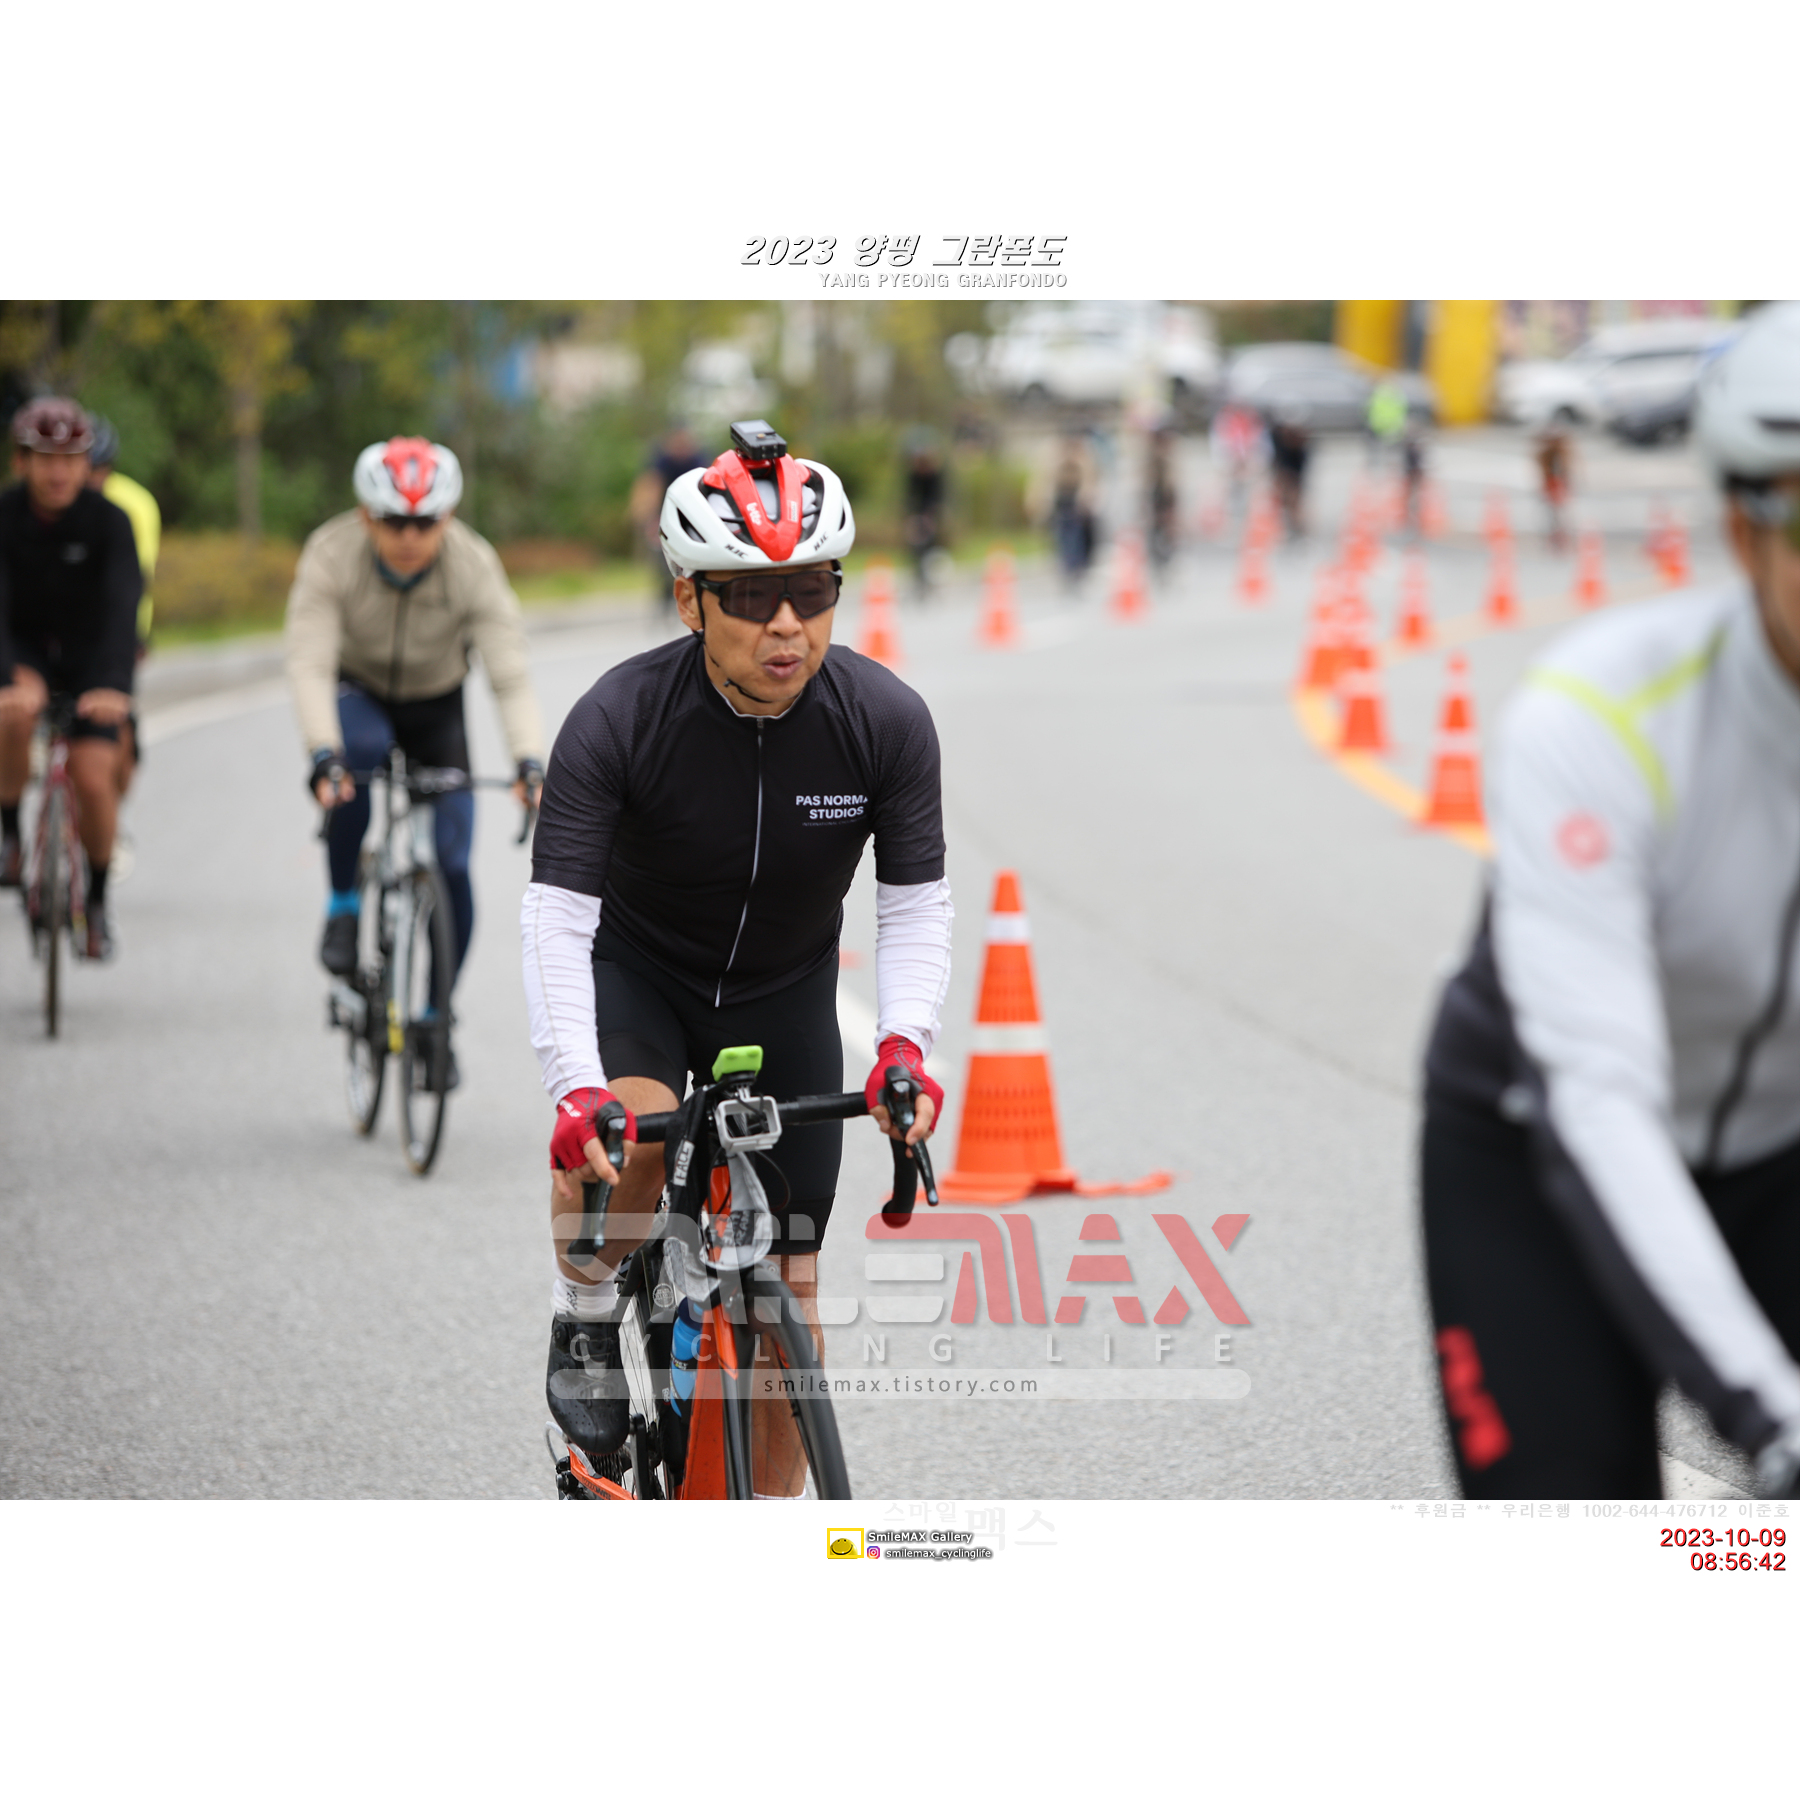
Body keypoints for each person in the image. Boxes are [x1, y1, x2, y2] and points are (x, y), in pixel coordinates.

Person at [520, 419, 953, 1495]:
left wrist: (903, 1047)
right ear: (690, 600)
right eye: (752, 595)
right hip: (643, 978)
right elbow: (557, 921)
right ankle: (585, 1311)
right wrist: (577, 1091)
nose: (788, 622)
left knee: (788, 1325)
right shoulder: (617, 719)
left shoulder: (886, 723)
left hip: (786, 993)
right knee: (625, 1152)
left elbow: (915, 905)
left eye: (812, 588)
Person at [1420, 301, 1800, 1501]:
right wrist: (1773, 1416)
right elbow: (1600, 1100)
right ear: (1743, 530)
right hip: (1539, 1150)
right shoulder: (1601, 720)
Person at [284, 437, 547, 1066]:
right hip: (360, 692)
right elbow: (309, 662)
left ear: (447, 517)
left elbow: (509, 676)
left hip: (436, 704)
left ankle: (436, 1014)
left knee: (452, 864)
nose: (409, 536)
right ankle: (344, 905)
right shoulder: (331, 553)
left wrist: (528, 761)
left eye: (425, 522)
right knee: (356, 758)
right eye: (393, 521)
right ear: (365, 515)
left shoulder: (473, 564)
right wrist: (323, 754)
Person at [0, 398, 141, 958]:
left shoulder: (111, 523)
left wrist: (114, 684)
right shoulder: (4, 516)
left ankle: (99, 898)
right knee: (11, 717)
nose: (58, 472)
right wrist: (8, 677)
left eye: (70, 458)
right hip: (23, 653)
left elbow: (123, 608)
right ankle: (9, 834)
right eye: (45, 458)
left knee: (93, 774)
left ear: (88, 464)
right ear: (21, 462)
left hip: (93, 661)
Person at [84, 415, 160, 811]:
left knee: (117, 717)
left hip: (119, 622)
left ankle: (111, 812)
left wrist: (135, 636)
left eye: (98, 469)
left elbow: (134, 580)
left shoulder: (133, 505)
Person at [627, 425, 705, 614]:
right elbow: (651, 486)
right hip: (663, 515)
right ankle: (665, 595)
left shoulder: (698, 459)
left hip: (691, 516)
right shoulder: (661, 461)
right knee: (662, 561)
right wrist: (648, 517)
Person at [900, 431, 947, 598]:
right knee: (916, 550)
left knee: (931, 549)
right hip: (917, 516)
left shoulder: (934, 475)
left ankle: (932, 581)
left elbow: (937, 497)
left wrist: (930, 517)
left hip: (930, 516)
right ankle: (919, 581)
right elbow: (910, 498)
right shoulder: (913, 475)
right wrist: (911, 518)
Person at [1267, 406, 1312, 541]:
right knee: (1282, 501)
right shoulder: (1276, 436)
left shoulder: (1300, 441)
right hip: (1284, 471)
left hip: (1294, 473)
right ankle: (1288, 527)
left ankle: (1298, 528)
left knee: (1294, 501)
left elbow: (1303, 462)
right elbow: (1274, 457)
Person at [1533, 420, 1574, 551]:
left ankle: (1559, 536)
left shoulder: (1561, 452)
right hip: (1551, 483)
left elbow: (1566, 470)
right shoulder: (1546, 454)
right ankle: (1554, 536)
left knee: (1558, 513)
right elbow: (1543, 470)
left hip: (1557, 483)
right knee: (1552, 513)